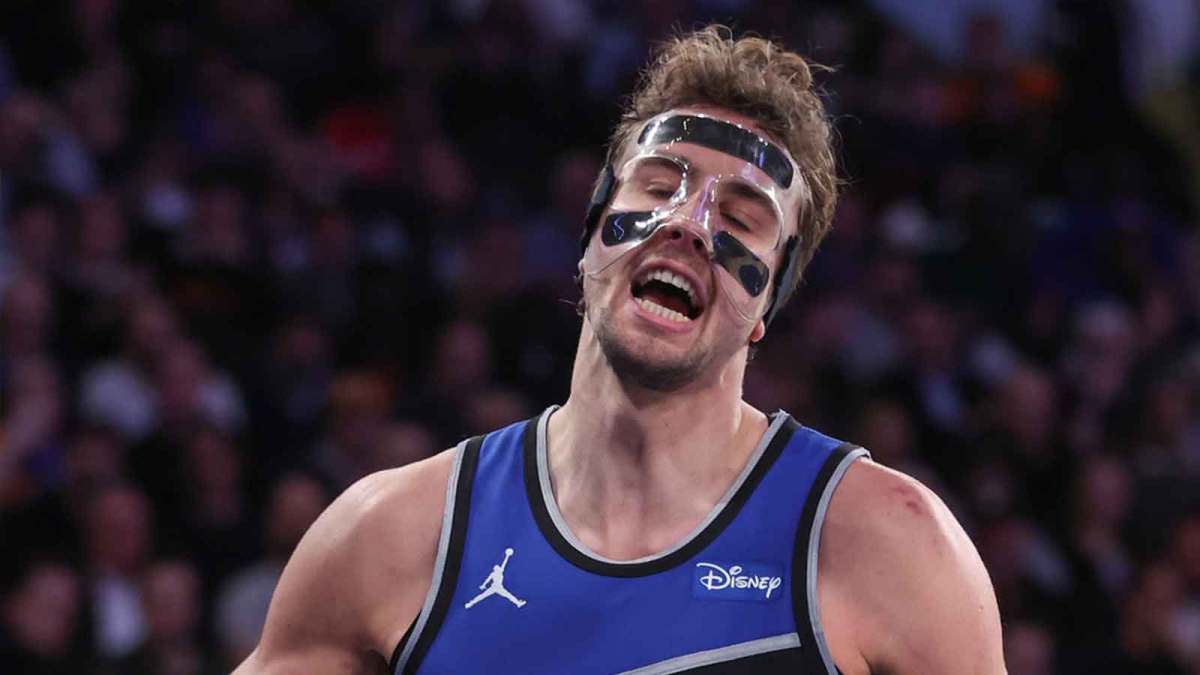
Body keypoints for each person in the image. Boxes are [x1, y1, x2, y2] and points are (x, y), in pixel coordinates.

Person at [235, 26, 1005, 675]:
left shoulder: (887, 545)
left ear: (767, 302)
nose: (691, 225)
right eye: (661, 183)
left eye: (742, 215)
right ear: (593, 227)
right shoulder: (396, 535)